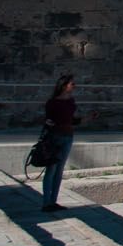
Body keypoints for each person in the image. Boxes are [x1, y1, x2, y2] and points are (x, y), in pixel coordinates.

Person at [39, 73, 89, 211]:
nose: (74, 86)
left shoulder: (71, 102)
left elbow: (72, 120)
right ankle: (46, 202)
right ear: (64, 86)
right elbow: (48, 120)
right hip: (55, 138)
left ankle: (53, 200)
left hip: (68, 136)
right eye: (72, 84)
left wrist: (88, 118)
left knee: (59, 170)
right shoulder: (53, 103)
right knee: (51, 169)